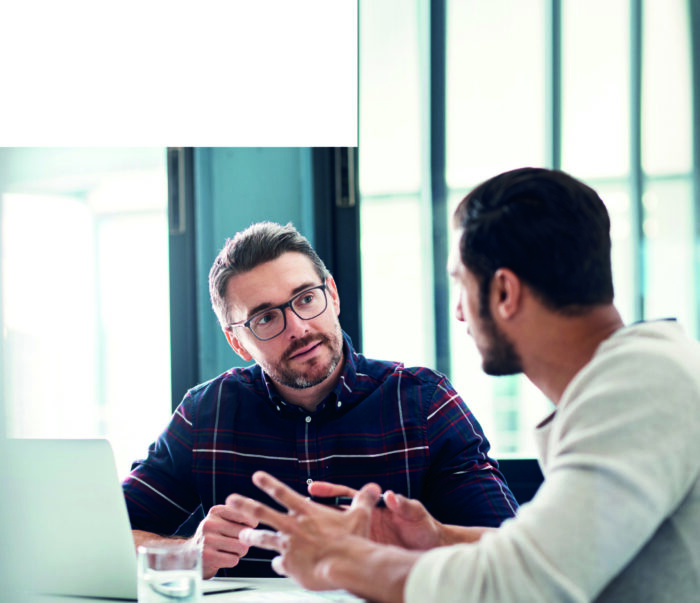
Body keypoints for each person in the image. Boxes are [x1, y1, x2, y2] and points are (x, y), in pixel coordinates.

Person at [226, 169, 700, 602]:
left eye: (461, 284)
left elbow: (519, 588)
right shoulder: (640, 377)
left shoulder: (641, 389)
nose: (458, 311)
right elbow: (552, 553)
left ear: (504, 293)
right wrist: (437, 538)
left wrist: (344, 560)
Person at [122, 221, 518, 578]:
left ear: (333, 295)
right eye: (266, 318)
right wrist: (185, 554)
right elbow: (107, 537)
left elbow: (511, 554)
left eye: (306, 298)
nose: (298, 327)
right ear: (237, 342)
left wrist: (428, 540)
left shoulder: (425, 403)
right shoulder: (205, 414)